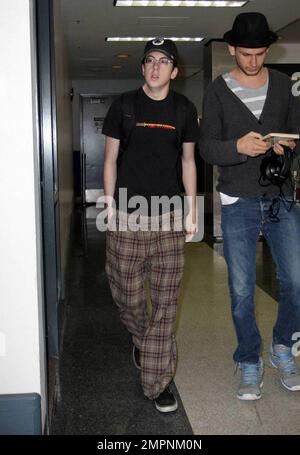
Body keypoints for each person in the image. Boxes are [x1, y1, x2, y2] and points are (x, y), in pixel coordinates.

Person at [200, 12, 300, 401]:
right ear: (232, 50)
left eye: (259, 53)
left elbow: (294, 132)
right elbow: (208, 146)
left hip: (280, 197)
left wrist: (285, 145)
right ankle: (248, 359)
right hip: (238, 198)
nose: (254, 61)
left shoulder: (283, 85)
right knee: (241, 289)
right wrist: (237, 148)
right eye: (246, 54)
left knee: (295, 280)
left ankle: (280, 348)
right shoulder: (218, 89)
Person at [102, 38, 199, 412]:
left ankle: (157, 383)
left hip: (170, 216)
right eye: (149, 60)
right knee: (126, 294)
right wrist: (109, 205)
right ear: (142, 68)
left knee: (166, 304)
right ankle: (143, 340)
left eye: (164, 61)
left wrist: (192, 210)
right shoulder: (124, 106)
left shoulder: (184, 109)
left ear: (175, 72)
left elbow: (189, 162)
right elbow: (110, 159)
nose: (156, 67)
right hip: (127, 214)